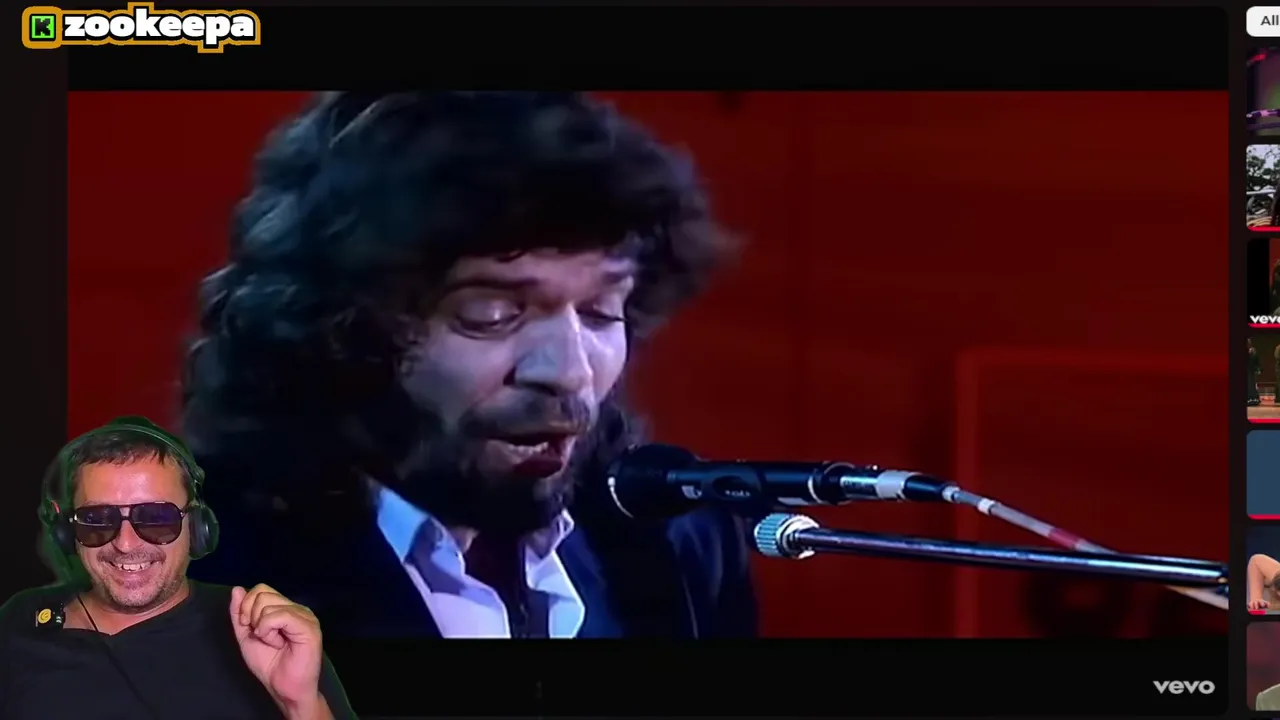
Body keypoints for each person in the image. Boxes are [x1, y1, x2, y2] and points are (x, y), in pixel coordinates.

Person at [181, 91, 758, 639]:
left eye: (601, 311)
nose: (570, 373)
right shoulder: (194, 577)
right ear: (338, 328)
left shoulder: (676, 546)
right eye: (492, 314)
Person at [0, 417, 354, 719]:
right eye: (98, 519)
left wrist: (299, 704)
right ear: (67, 533)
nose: (126, 544)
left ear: (197, 528)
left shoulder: (269, 632)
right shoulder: (20, 620)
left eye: (156, 517)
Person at [1250, 338, 1262, 407]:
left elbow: (1257, 362)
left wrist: (1258, 369)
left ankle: (1255, 398)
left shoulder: (1253, 351)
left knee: (1254, 384)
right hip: (1251, 370)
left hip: (1252, 371)